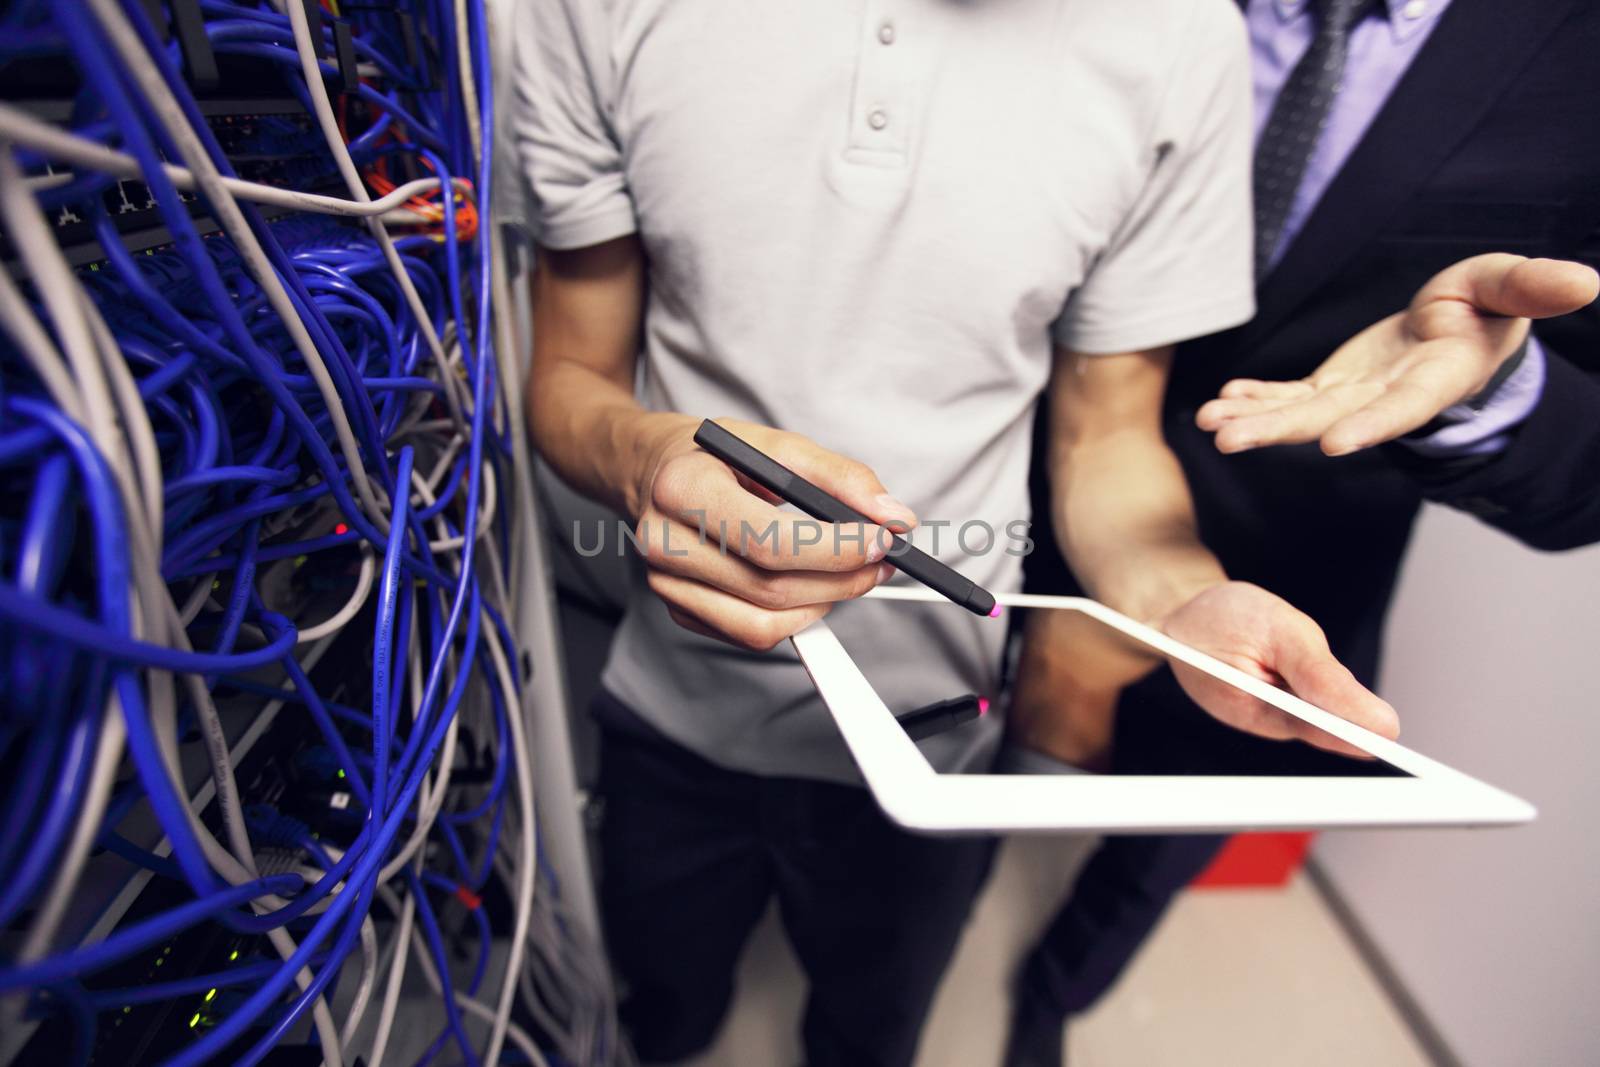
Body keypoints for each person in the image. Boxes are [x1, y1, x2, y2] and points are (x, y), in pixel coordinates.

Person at [511, 2, 1408, 1064]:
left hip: (938, 736)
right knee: (657, 1010)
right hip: (668, 699)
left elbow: (1104, 436)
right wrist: (642, 458)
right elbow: (570, 372)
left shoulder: (1181, 35)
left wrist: (1176, 605)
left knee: (873, 1025)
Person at [1004, 1, 1600, 1063]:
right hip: (1020, 482)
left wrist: (1487, 386)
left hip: (1295, 571)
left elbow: (1582, 477)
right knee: (952, 772)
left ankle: (1052, 990)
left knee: (1157, 848)